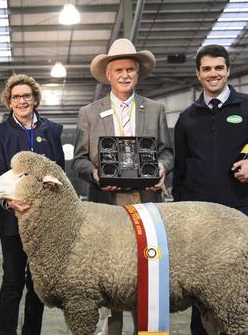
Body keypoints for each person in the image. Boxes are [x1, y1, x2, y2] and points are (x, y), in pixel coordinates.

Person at [172, 44, 248, 334]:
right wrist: (178, 212)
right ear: (198, 74)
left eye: (219, 67)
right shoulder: (187, 117)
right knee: (198, 285)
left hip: (240, 210)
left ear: (228, 70)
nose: (214, 74)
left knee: (243, 283)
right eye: (207, 69)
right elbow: (181, 169)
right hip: (198, 217)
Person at [72, 38, 173, 335]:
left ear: (138, 74)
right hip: (106, 204)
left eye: (130, 69)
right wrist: (94, 174)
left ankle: (148, 327)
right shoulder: (89, 113)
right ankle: (111, 330)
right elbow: (78, 159)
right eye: (119, 70)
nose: (125, 75)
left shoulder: (155, 109)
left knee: (147, 266)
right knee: (108, 272)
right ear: (108, 75)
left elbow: (167, 151)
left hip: (146, 201)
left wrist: (163, 166)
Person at [0, 74, 65, 335]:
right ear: (9, 102)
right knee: (12, 281)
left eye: (27, 96)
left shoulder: (52, 130)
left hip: (44, 222)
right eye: (16, 97)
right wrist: (12, 203)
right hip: (12, 220)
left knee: (37, 284)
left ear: (35, 99)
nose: (22, 101)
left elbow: (59, 173)